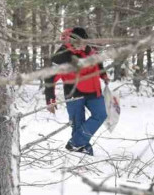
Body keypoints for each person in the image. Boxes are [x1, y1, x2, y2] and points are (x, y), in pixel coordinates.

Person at [44, 27, 108, 156]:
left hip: (94, 91)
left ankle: (75, 144)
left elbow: (98, 64)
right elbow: (50, 78)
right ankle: (80, 152)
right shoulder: (61, 56)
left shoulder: (91, 51)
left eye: (84, 42)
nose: (82, 45)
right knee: (77, 125)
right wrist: (50, 99)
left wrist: (104, 75)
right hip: (74, 95)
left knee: (101, 115)